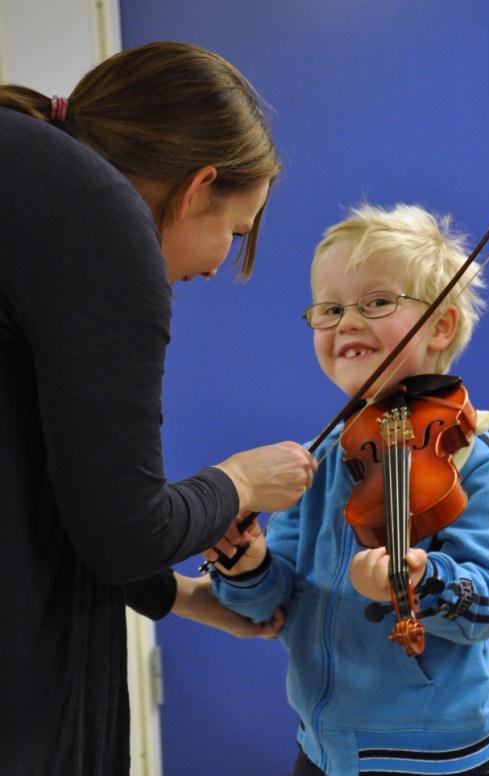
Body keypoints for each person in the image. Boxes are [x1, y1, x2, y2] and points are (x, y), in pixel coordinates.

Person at [0, 41, 317, 775]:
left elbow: (58, 484)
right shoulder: (99, 216)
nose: (214, 265)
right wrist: (240, 481)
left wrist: (179, 595)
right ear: (198, 183)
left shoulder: (35, 172)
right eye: (233, 233)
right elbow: (123, 529)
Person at [208, 203, 489, 776]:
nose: (347, 323)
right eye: (330, 309)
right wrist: (246, 563)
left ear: (440, 325)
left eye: (376, 302)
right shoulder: (322, 456)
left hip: (435, 756)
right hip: (323, 746)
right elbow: (269, 604)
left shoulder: (474, 460)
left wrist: (417, 578)